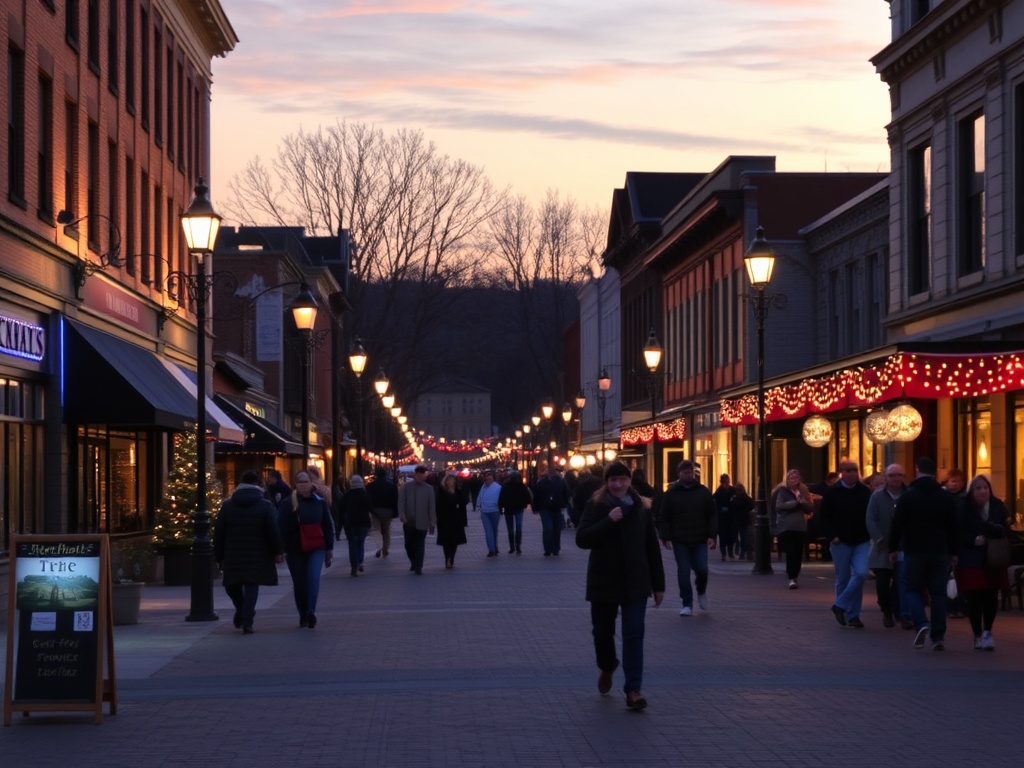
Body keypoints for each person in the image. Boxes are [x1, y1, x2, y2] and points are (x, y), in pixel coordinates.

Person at [576, 461, 665, 711]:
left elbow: (652, 548)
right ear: (606, 482)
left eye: (622, 480)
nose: (617, 484)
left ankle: (633, 690)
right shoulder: (596, 506)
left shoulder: (642, 508)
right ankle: (607, 665)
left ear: (629, 481)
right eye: (613, 480)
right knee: (602, 634)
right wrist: (608, 521)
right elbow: (582, 539)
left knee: (634, 634)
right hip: (603, 581)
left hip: (635, 582)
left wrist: (659, 585)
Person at [888, 456, 959, 651]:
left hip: (914, 550)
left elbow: (897, 524)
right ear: (935, 473)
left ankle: (921, 623)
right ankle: (938, 637)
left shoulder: (908, 496)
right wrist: (953, 552)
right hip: (939, 551)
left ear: (917, 470)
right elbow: (953, 526)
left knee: (912, 589)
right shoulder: (945, 497)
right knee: (938, 593)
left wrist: (892, 548)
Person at [214, 469, 284, 634]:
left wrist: (219, 555)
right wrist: (277, 551)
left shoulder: (228, 505)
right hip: (257, 552)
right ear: (258, 485)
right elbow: (273, 530)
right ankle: (247, 620)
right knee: (252, 584)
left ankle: (241, 608)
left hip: (233, 552)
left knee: (232, 584)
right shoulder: (265, 505)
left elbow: (219, 532)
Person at [954, 474, 1010, 651]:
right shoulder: (964, 507)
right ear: (972, 491)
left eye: (985, 487)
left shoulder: (997, 505)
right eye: (978, 488)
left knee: (991, 595)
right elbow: (956, 532)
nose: (982, 491)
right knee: (975, 596)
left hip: (993, 557)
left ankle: (988, 632)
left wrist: (995, 530)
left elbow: (1005, 528)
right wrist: (972, 540)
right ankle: (977, 633)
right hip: (971, 557)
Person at [657, 459, 717, 616]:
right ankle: (687, 603)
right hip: (680, 539)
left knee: (702, 569)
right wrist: (665, 536)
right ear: (679, 474)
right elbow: (664, 516)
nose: (688, 475)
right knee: (683, 572)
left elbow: (712, 514)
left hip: (699, 538)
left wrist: (712, 535)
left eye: (690, 472)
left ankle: (701, 589)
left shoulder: (703, 492)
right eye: (685, 473)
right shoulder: (672, 493)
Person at [276, 470, 334, 628]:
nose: (302, 485)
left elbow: (327, 525)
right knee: (299, 582)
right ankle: (302, 613)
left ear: (311, 483)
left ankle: (311, 611)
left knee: (313, 578)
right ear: (295, 484)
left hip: (316, 546)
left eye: (305, 482)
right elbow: (280, 527)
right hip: (295, 549)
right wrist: (279, 550)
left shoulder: (319, 502)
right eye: (299, 482)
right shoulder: (288, 503)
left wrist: (329, 548)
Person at [819, 459, 872, 628]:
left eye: (855, 470)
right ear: (841, 472)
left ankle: (841, 606)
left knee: (861, 574)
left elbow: (870, 515)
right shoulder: (832, 492)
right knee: (843, 578)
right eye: (848, 470)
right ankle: (851, 615)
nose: (852, 473)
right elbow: (823, 517)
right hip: (840, 541)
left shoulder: (865, 492)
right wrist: (832, 536)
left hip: (861, 540)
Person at [865, 464, 907, 628]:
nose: (896, 479)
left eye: (899, 475)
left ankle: (902, 614)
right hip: (882, 547)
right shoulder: (877, 496)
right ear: (887, 478)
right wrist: (879, 538)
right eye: (892, 476)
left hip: (903, 546)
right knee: (882, 584)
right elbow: (870, 519)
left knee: (900, 583)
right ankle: (886, 610)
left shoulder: (908, 495)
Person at [773, 469, 814, 589]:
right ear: (787, 480)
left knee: (798, 552)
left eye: (796, 478)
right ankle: (791, 577)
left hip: (800, 526)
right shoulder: (782, 491)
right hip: (787, 526)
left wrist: (802, 502)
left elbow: (810, 507)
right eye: (791, 478)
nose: (794, 480)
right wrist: (795, 503)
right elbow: (779, 506)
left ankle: (795, 575)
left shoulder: (803, 491)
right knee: (790, 552)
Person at [398, 465, 436, 574]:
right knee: (408, 544)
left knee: (420, 545)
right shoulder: (406, 487)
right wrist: (402, 515)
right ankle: (413, 561)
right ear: (415, 475)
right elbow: (401, 502)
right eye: (418, 476)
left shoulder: (429, 489)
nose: (420, 478)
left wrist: (432, 522)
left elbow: (431, 506)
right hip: (408, 521)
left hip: (422, 521)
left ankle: (418, 566)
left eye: (422, 476)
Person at [339, 474, 373, 577]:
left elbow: (341, 511)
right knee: (361, 543)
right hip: (363, 523)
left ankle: (354, 566)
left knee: (352, 545)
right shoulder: (366, 495)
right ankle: (360, 562)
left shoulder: (346, 496)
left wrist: (339, 527)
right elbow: (371, 508)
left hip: (350, 523)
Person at [534, 464, 571, 556]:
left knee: (556, 529)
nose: (552, 471)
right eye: (550, 469)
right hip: (545, 508)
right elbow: (537, 495)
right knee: (548, 528)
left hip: (557, 508)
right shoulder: (542, 482)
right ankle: (548, 549)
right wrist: (535, 506)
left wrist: (564, 504)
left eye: (553, 469)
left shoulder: (561, 481)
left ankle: (556, 548)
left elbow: (566, 493)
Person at [436, 473, 469, 568]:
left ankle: (451, 558)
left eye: (453, 480)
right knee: (446, 542)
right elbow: (438, 505)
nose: (452, 482)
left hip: (456, 520)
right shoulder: (442, 491)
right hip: (445, 520)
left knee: (454, 541)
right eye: (450, 480)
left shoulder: (458, 491)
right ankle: (447, 558)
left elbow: (465, 501)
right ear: (446, 481)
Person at [367, 467, 399, 558]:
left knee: (376, 529)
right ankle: (385, 549)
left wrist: (370, 509)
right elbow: (395, 500)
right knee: (386, 531)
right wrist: (395, 512)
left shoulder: (370, 486)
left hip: (375, 510)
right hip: (388, 511)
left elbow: (368, 500)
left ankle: (379, 546)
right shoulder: (392, 486)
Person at [498, 470, 532, 554]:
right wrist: (524, 504)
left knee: (511, 529)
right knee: (518, 528)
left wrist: (501, 509)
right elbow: (528, 497)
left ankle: (513, 547)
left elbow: (501, 499)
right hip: (518, 509)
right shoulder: (521, 486)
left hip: (509, 509)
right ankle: (517, 546)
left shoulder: (506, 486)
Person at [476, 469, 503, 557]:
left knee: (494, 530)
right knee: (489, 531)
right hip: (485, 512)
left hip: (495, 511)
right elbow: (480, 497)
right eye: (486, 479)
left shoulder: (498, 487)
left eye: (489, 478)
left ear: (492, 479)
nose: (487, 480)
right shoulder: (483, 487)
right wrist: (479, 504)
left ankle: (494, 547)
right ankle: (492, 549)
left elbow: (501, 499)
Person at [713, 474, 737, 561]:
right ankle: (724, 554)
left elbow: (735, 500)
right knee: (723, 536)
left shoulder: (732, 490)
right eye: (726, 480)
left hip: (730, 517)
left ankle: (730, 554)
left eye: (727, 480)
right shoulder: (719, 491)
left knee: (730, 536)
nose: (727, 482)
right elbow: (714, 501)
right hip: (722, 517)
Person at [732, 482, 755, 561]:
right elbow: (752, 506)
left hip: (737, 520)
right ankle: (742, 552)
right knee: (743, 537)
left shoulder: (735, 498)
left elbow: (732, 507)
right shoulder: (746, 498)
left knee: (737, 536)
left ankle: (740, 550)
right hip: (744, 519)